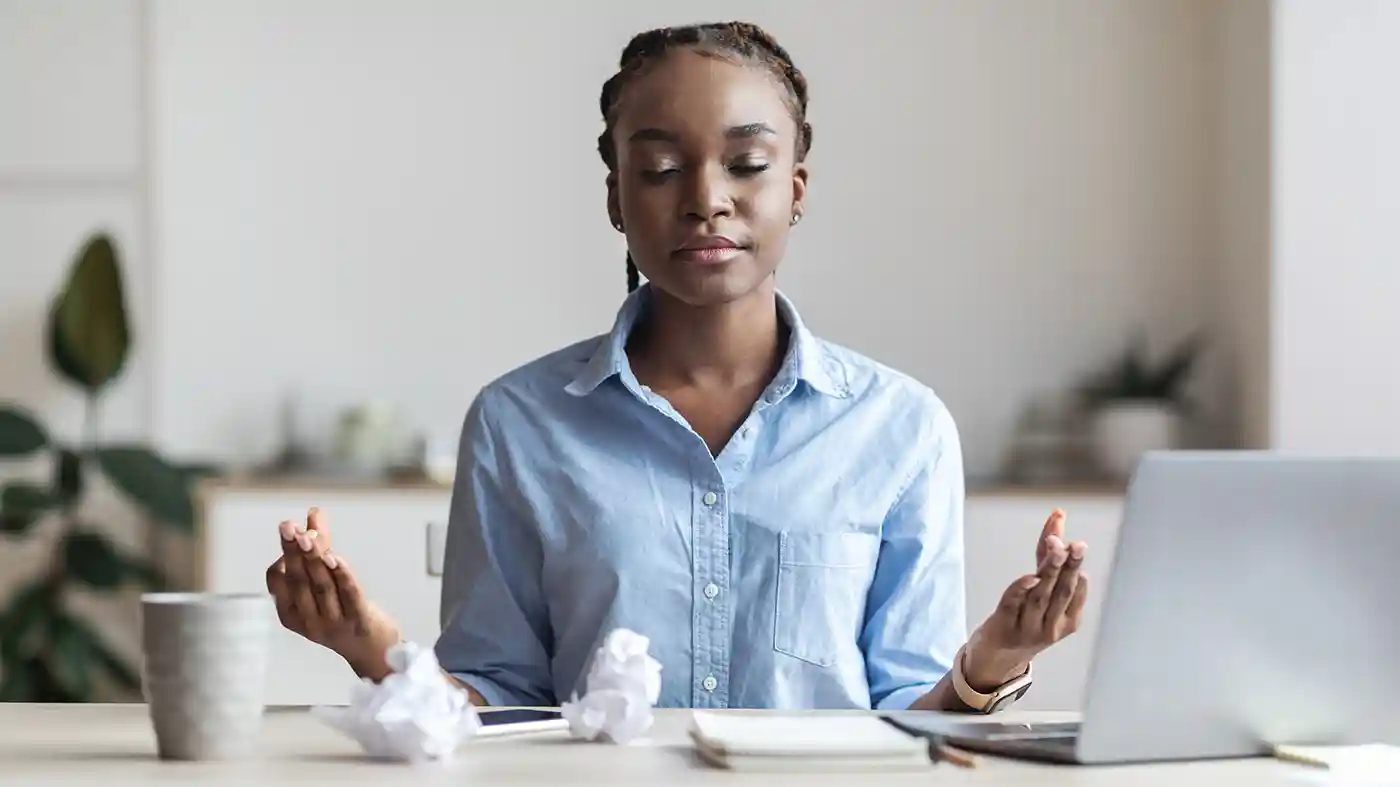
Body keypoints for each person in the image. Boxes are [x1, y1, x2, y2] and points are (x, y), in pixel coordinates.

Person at [265, 21, 1089, 712]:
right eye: (660, 169)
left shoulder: (901, 429)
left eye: (746, 164)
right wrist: (368, 646)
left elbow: (907, 718)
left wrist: (993, 660)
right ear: (617, 198)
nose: (705, 198)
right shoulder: (518, 424)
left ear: (795, 189)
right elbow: (500, 710)